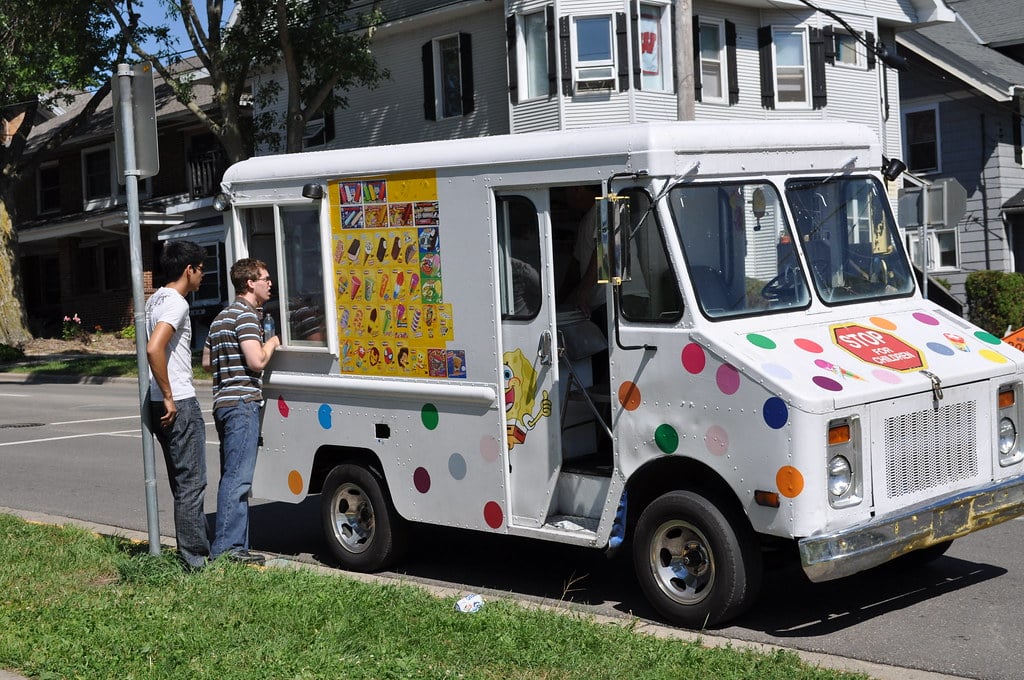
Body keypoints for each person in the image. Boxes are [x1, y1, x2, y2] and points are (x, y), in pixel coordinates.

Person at [202, 258, 281, 564]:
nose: (270, 283)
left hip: (223, 404)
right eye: (266, 278)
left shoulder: (221, 317)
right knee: (238, 480)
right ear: (250, 283)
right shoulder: (247, 317)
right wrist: (272, 341)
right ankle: (229, 550)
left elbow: (208, 363)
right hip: (242, 403)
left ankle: (234, 546)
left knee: (231, 476)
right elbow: (257, 361)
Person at [145, 239, 210, 571]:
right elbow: (154, 348)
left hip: (158, 403)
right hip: (178, 402)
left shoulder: (154, 299)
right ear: (189, 269)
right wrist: (169, 396)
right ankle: (196, 562)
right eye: (201, 270)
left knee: (182, 482)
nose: (203, 277)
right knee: (192, 483)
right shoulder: (176, 303)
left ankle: (195, 552)